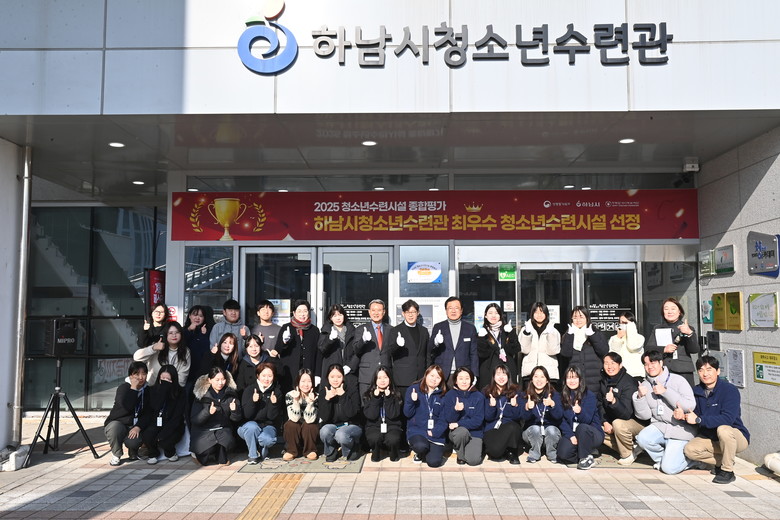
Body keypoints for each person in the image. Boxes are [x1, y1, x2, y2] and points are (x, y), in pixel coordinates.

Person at [683, 355, 750, 484]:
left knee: (723, 429)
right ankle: (724, 461)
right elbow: (693, 415)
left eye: (709, 369)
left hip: (735, 436)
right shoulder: (695, 391)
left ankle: (727, 471)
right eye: (701, 370)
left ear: (718, 371)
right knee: (690, 450)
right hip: (711, 438)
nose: (705, 374)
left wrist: (699, 420)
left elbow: (728, 419)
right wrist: (683, 416)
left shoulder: (729, 390)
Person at [633, 350, 696, 474]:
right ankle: (664, 460)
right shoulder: (645, 385)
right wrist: (639, 397)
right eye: (646, 364)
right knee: (642, 439)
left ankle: (694, 461)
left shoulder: (678, 380)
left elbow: (690, 405)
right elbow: (644, 416)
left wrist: (666, 392)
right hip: (660, 427)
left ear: (661, 363)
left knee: (669, 469)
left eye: (653, 363)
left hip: (681, 430)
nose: (650, 367)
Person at [598, 353, 645, 465]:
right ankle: (633, 448)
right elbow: (599, 404)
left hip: (636, 423)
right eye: (606, 363)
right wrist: (604, 422)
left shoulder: (628, 382)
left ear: (620, 365)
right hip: (613, 420)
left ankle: (627, 454)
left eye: (613, 363)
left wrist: (614, 401)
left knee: (618, 424)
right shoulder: (604, 380)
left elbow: (627, 414)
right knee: (596, 428)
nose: (609, 366)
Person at [190, 366, 242, 466]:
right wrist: (207, 412)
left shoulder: (230, 394)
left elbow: (236, 419)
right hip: (204, 431)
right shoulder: (201, 396)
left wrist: (234, 410)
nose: (220, 383)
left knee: (223, 461)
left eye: (223, 379)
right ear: (210, 380)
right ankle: (197, 454)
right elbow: (195, 420)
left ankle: (218, 453)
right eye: (217, 380)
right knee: (205, 458)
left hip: (223, 430)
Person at [104, 361, 152, 466]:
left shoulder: (147, 390)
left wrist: (138, 427)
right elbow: (127, 407)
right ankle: (116, 454)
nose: (141, 377)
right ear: (130, 376)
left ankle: (133, 451)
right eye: (137, 374)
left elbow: (148, 413)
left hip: (134, 425)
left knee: (134, 441)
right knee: (114, 428)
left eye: (144, 374)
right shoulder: (123, 388)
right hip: (119, 422)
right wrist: (134, 389)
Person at [557, 366, 604, 470]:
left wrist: (580, 412)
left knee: (582, 428)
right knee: (562, 453)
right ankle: (585, 451)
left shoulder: (589, 396)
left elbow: (587, 420)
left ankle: (585, 458)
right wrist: (570, 435)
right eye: (569, 378)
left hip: (591, 433)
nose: (572, 381)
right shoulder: (562, 397)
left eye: (575, 377)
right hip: (573, 433)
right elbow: (561, 420)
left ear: (580, 379)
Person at [644, 298, 700, 386]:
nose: (669, 312)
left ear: (679, 312)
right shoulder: (657, 328)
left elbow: (694, 350)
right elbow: (648, 349)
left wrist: (689, 333)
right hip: (662, 370)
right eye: (666, 309)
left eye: (673, 309)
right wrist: (664, 349)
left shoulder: (687, 328)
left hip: (683, 371)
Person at [404, 365, 448, 468]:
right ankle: (419, 453)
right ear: (426, 375)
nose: (434, 379)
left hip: (434, 433)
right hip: (417, 430)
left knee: (434, 463)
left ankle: (431, 452)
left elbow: (444, 419)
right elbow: (407, 414)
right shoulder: (414, 389)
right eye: (432, 375)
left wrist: (435, 431)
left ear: (441, 380)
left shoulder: (443, 395)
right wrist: (412, 401)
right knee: (420, 446)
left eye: (438, 377)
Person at [238, 362, 283, 464]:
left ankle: (261, 449)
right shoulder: (249, 390)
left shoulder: (277, 392)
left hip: (268, 426)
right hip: (250, 426)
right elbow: (247, 415)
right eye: (263, 375)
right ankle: (253, 455)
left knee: (267, 440)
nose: (266, 379)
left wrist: (274, 404)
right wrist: (253, 402)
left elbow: (272, 417)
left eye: (270, 376)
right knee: (252, 428)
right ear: (258, 376)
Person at [386, 299, 430, 398]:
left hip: (421, 378)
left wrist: (427, 373)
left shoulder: (424, 331)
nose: (410, 315)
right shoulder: (395, 330)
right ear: (403, 313)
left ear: (418, 313)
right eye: (407, 312)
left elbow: (427, 354)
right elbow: (389, 352)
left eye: (413, 312)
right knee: (403, 405)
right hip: (403, 379)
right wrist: (397, 344)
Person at [442, 366, 485, 466]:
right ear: (456, 381)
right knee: (461, 432)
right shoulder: (450, 395)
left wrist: (459, 423)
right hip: (458, 432)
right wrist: (456, 410)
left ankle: (470, 448)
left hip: (474, 432)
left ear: (471, 380)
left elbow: (478, 420)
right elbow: (449, 419)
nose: (464, 381)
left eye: (467, 378)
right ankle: (460, 454)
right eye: (461, 379)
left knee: (474, 461)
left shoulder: (478, 396)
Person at [319, 364, 363, 462]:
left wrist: (343, 396)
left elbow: (352, 413)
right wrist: (327, 399)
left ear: (343, 377)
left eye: (339, 377)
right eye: (332, 377)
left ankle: (352, 447)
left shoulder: (351, 390)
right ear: (327, 378)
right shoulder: (324, 392)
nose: (335, 380)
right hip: (333, 425)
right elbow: (324, 417)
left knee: (341, 434)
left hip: (351, 425)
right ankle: (331, 450)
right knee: (324, 431)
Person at [143, 365, 186, 464]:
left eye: (168, 379)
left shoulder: (180, 392)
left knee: (165, 440)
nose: (165, 382)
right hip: (156, 422)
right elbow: (155, 407)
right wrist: (162, 391)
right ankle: (153, 453)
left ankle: (170, 453)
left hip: (173, 424)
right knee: (148, 436)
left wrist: (165, 432)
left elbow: (177, 416)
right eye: (163, 378)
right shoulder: (152, 390)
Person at [430, 296, 479, 383]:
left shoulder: (470, 328)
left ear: (461, 310)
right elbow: (430, 349)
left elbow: (474, 353)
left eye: (456, 308)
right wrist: (436, 342)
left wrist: (474, 374)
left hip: (463, 375)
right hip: (442, 374)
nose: (453, 311)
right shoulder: (438, 327)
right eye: (450, 308)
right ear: (446, 311)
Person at [560, 306, 609, 391]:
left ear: (587, 318)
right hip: (575, 380)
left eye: (581, 317)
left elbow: (603, 351)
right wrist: (570, 336)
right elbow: (565, 354)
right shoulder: (568, 334)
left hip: (594, 379)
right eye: (575, 317)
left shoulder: (595, 332)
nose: (578, 320)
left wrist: (592, 336)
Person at [276, 299, 321, 392]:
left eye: (305, 311)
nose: (302, 314)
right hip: (289, 373)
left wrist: (317, 374)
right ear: (294, 313)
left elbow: (318, 354)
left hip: (308, 373)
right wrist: (284, 341)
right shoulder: (286, 327)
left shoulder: (314, 330)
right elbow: (278, 349)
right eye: (299, 311)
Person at [482, 363, 523, 464]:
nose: (501, 377)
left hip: (509, 426)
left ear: (508, 376)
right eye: (498, 374)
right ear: (493, 376)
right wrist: (491, 406)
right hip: (492, 427)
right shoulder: (486, 391)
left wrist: (514, 406)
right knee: (495, 453)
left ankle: (512, 452)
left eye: (504, 374)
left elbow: (518, 417)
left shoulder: (516, 391)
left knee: (513, 427)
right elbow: (487, 417)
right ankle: (503, 450)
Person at [521, 366, 563, 463]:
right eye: (536, 376)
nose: (539, 380)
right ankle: (534, 454)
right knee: (535, 429)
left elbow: (559, 416)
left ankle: (552, 453)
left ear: (547, 380)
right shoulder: (525, 395)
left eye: (542, 377)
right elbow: (523, 418)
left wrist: (553, 405)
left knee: (552, 430)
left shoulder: (554, 395)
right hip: (532, 435)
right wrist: (527, 408)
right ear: (531, 380)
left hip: (550, 435)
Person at [363, 366, 403, 462]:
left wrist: (388, 398)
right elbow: (371, 415)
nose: (382, 380)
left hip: (392, 426)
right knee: (374, 437)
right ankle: (375, 452)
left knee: (393, 439)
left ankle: (394, 453)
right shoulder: (368, 394)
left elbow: (393, 415)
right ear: (375, 380)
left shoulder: (396, 394)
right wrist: (375, 398)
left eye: (385, 377)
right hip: (374, 426)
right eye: (379, 378)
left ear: (390, 379)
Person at [133, 321, 190, 386]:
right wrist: (153, 348)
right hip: (152, 386)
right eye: (170, 333)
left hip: (173, 389)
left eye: (177, 332)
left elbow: (183, 376)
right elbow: (136, 357)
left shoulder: (185, 351)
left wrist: (174, 389)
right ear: (166, 334)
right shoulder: (158, 346)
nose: (174, 335)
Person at [353, 299, 391, 395]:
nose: (376, 313)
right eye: (373, 310)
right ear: (369, 312)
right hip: (367, 376)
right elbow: (356, 350)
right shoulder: (361, 329)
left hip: (385, 376)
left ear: (384, 312)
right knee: (366, 403)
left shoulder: (391, 330)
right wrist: (363, 340)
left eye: (379, 310)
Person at [477, 303, 520, 386]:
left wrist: (511, 333)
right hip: (489, 371)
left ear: (500, 315)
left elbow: (515, 349)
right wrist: (481, 339)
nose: (493, 315)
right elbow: (482, 354)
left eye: (496, 313)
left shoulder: (506, 331)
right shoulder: (482, 332)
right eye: (490, 313)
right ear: (485, 315)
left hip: (507, 370)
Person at [519, 302, 561, 386]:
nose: (539, 315)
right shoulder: (525, 329)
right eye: (536, 312)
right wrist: (527, 334)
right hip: (530, 372)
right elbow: (524, 350)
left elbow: (553, 351)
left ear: (546, 314)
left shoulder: (553, 330)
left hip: (548, 373)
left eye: (542, 312)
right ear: (532, 314)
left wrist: (550, 334)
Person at [283, 368, 319, 461]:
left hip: (309, 428)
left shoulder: (316, 396)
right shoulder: (290, 395)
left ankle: (310, 450)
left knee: (309, 425)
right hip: (296, 427)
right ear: (298, 382)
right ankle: (291, 451)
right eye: (303, 381)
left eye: (309, 381)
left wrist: (310, 403)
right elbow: (294, 418)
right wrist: (296, 401)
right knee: (290, 424)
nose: (306, 384)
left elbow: (310, 420)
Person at [318, 304, 357, 387]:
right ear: (330, 318)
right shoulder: (326, 331)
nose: (338, 318)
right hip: (331, 371)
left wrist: (350, 366)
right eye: (334, 316)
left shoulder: (352, 330)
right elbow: (322, 349)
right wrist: (330, 339)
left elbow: (357, 351)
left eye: (340, 315)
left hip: (348, 371)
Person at [183, 305, 214, 395]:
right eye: (195, 315)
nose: (197, 318)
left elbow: (206, 351)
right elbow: (181, 344)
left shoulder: (208, 332)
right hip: (186, 371)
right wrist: (189, 330)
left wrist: (204, 335)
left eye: (200, 316)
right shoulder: (183, 331)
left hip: (201, 372)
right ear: (189, 316)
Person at [608, 311, 645, 380]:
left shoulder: (639, 338)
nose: (622, 325)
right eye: (620, 323)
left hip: (636, 375)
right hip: (619, 375)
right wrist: (618, 338)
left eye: (625, 323)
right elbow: (613, 355)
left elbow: (632, 346)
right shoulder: (614, 338)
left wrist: (630, 329)